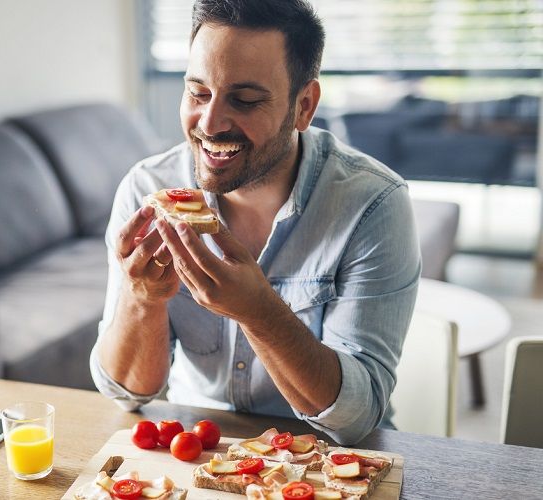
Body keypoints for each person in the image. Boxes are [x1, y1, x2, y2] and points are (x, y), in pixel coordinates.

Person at [90, 0, 420, 445]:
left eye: (244, 100)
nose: (209, 123)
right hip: (198, 447)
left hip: (326, 460)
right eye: (198, 92)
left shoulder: (373, 204)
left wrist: (257, 311)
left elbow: (356, 417)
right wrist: (142, 300)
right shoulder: (147, 189)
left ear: (304, 106)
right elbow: (125, 392)